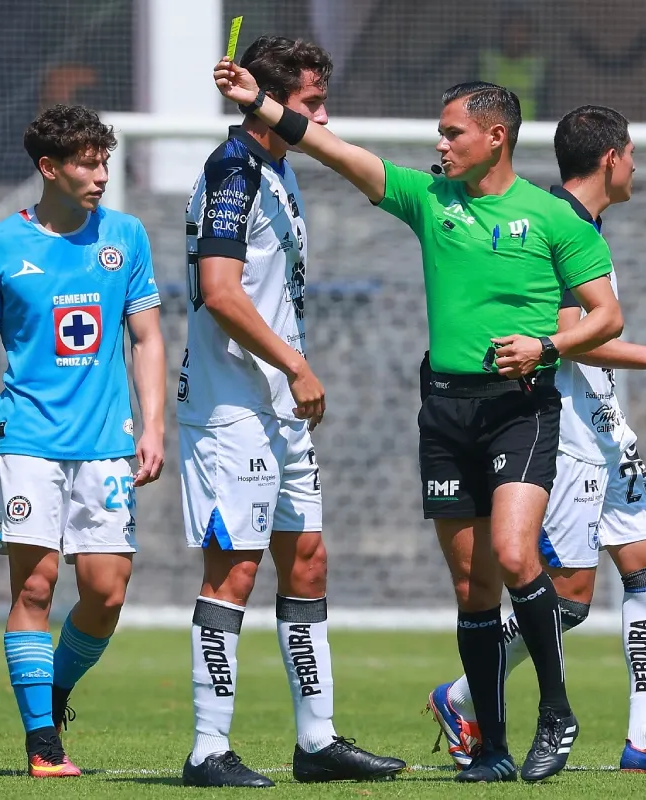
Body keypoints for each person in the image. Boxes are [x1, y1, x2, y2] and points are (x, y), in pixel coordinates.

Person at [213, 62, 624, 783]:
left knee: (515, 555)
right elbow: (334, 150)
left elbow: (607, 315)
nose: (441, 144)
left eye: (452, 133)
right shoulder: (431, 199)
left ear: (495, 138)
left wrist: (545, 346)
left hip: (521, 408)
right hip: (445, 412)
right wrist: (261, 104)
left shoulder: (554, 216)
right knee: (472, 587)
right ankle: (490, 748)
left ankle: (556, 712)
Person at [425, 105, 646, 775]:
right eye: (632, 153)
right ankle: (462, 696)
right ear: (611, 159)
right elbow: (568, 338)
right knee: (568, 598)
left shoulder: (585, 226)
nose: (636, 166)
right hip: (561, 430)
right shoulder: (556, 224)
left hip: (605, 426)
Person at [179, 36, 406, 788]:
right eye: (312, 102)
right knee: (234, 574)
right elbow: (221, 292)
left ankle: (317, 741)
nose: (323, 116)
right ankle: (207, 749)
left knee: (306, 560)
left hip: (279, 408)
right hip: (233, 408)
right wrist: (297, 365)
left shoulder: (279, 168)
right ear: (269, 100)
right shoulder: (234, 169)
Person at [0, 104, 166, 778]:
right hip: (29, 439)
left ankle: (51, 692)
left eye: (104, 162)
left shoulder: (125, 236)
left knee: (106, 591)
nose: (101, 176)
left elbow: (147, 338)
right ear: (49, 168)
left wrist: (153, 425)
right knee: (35, 586)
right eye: (88, 164)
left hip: (106, 442)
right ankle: (43, 741)